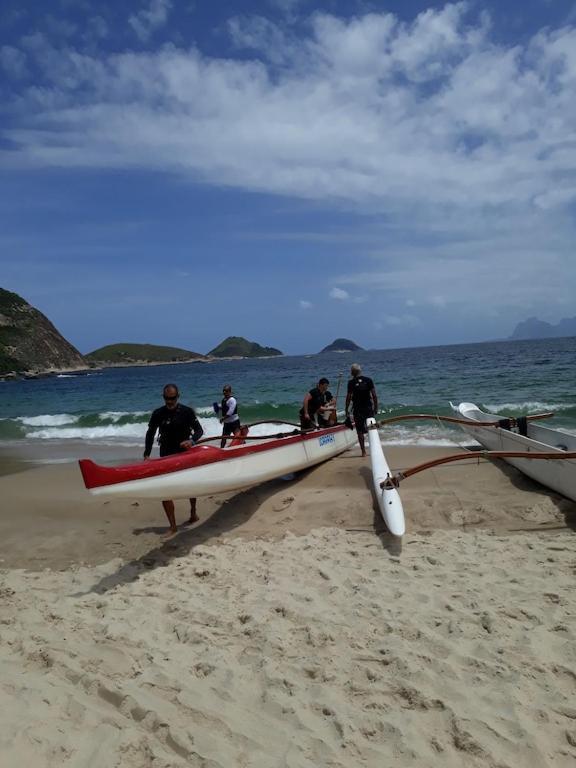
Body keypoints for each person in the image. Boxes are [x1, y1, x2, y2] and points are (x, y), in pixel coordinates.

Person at [144, 383, 204, 534]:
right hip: (166, 455)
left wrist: (191, 441)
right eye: (166, 398)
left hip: (185, 453)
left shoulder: (187, 412)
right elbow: (150, 434)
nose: (169, 401)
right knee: (164, 490)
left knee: (190, 486)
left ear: (178, 396)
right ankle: (172, 526)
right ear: (163, 397)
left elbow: (199, 430)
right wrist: (147, 454)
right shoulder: (158, 413)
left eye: (172, 398)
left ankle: (193, 512)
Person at [345, 364, 378, 457]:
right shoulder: (368, 380)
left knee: (359, 431)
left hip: (358, 409)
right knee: (372, 428)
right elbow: (374, 395)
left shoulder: (351, 382)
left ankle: (363, 452)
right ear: (360, 371)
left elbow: (348, 397)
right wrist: (376, 407)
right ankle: (374, 449)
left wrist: (346, 409)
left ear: (352, 373)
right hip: (368, 408)